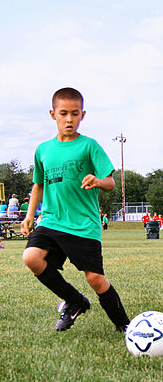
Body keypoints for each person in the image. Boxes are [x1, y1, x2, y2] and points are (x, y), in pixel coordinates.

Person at [21, 87, 130, 332]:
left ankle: (124, 326)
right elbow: (39, 185)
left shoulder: (89, 146)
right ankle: (74, 301)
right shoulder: (43, 150)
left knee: (95, 279)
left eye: (75, 113)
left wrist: (98, 181)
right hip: (51, 220)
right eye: (63, 113)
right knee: (31, 257)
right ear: (53, 114)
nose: (69, 119)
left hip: (83, 224)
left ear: (82, 114)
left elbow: (111, 183)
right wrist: (30, 216)